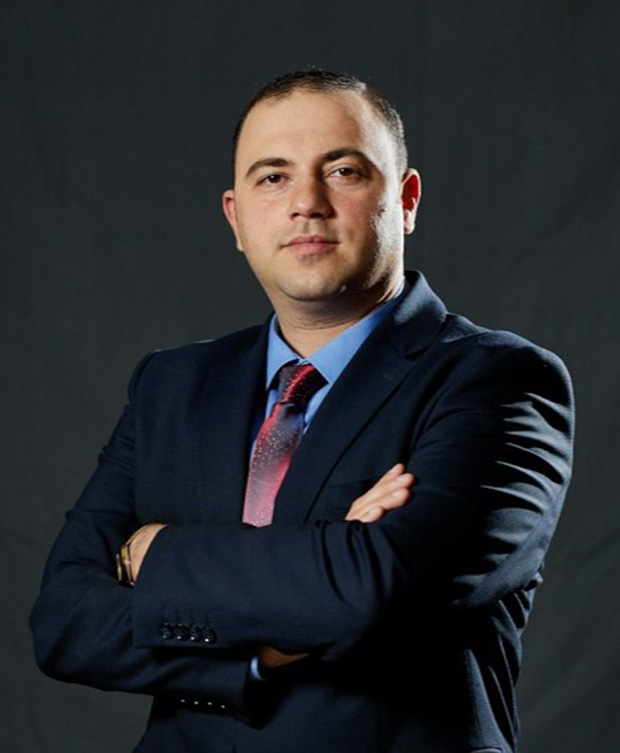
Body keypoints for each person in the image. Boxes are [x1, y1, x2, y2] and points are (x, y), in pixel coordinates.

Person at [30, 69, 574, 753]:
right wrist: (263, 652)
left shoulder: (499, 380)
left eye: (343, 171)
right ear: (236, 217)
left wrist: (156, 552)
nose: (307, 204)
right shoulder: (171, 385)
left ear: (405, 200)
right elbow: (65, 622)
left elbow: (371, 586)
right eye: (273, 177)